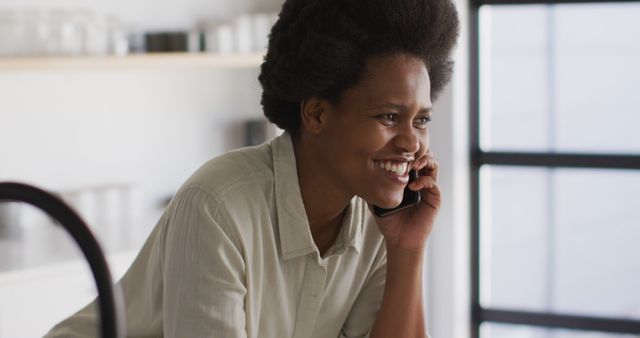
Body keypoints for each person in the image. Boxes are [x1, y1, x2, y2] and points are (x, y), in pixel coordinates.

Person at [45, 0, 459, 336]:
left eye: (421, 120)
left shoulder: (378, 219)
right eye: (388, 116)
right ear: (316, 114)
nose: (411, 143)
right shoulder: (218, 206)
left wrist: (407, 249)